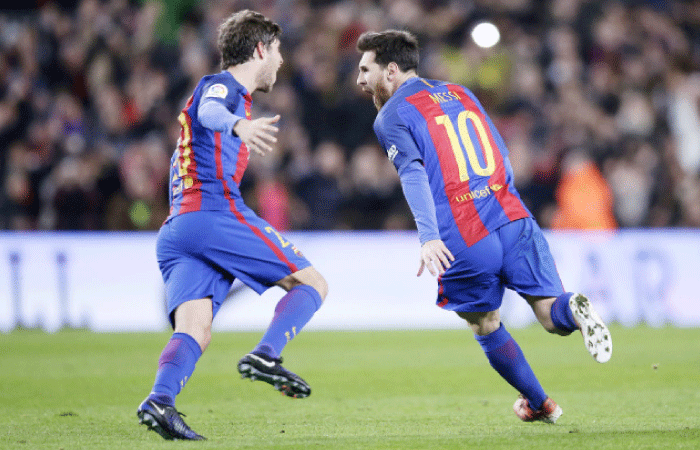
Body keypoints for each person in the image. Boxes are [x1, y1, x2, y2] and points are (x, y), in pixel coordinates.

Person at [355, 30, 611, 424]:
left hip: (464, 233)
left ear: (390, 71)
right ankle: (575, 312)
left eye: (365, 70)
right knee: (549, 313)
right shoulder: (461, 93)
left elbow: (412, 172)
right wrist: (503, 200)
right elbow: (503, 158)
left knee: (485, 323)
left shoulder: (389, 116)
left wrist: (429, 237)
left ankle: (541, 403)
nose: (359, 81)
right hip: (511, 215)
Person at [136, 10, 328, 441]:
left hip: (178, 230)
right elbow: (208, 109)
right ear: (260, 49)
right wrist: (238, 123)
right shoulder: (222, 87)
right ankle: (266, 355)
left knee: (195, 330)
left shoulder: (233, 95)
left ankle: (160, 400)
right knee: (312, 284)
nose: (281, 61)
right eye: (277, 51)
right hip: (212, 214)